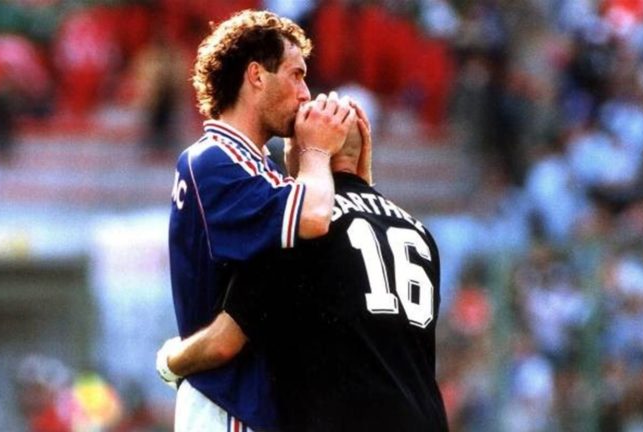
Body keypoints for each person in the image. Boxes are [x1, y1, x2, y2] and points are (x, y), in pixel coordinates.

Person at [159, 119, 448, 431]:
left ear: (307, 149)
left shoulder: (299, 229)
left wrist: (170, 361)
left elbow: (223, 343)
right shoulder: (419, 233)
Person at [166, 9, 358, 432]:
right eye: (296, 75)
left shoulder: (259, 167)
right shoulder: (214, 159)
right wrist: (316, 152)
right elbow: (313, 217)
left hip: (256, 404)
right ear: (256, 75)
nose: (305, 93)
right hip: (230, 402)